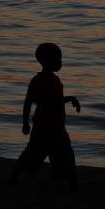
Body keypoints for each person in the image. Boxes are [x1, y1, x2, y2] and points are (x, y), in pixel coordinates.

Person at [8, 43, 80, 190]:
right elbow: (53, 101)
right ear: (47, 61)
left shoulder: (36, 80)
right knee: (64, 153)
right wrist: (71, 98)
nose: (60, 62)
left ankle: (15, 176)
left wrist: (25, 123)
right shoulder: (52, 81)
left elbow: (28, 102)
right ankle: (73, 185)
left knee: (33, 151)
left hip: (41, 124)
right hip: (54, 126)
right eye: (58, 59)